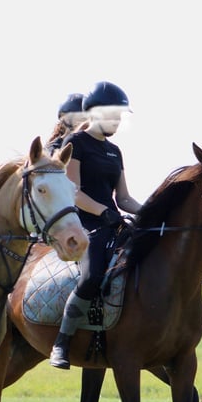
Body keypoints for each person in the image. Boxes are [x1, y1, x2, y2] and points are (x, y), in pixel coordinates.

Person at [49, 81, 143, 370]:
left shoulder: (115, 151)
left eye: (119, 116)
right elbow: (73, 191)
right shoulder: (75, 143)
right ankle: (61, 343)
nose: (116, 121)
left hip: (113, 222)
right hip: (85, 226)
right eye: (112, 115)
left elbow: (124, 198)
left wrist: (151, 213)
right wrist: (103, 212)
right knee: (91, 277)